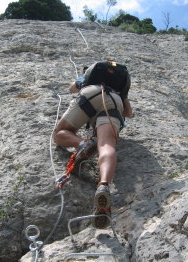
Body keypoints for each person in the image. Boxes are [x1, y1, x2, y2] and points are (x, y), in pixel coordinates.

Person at [53, 61, 133, 228]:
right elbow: (128, 113)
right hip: (115, 101)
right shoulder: (121, 87)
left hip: (89, 94)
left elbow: (72, 88)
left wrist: (80, 83)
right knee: (106, 145)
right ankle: (104, 184)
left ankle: (82, 143)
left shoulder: (90, 77)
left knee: (60, 134)